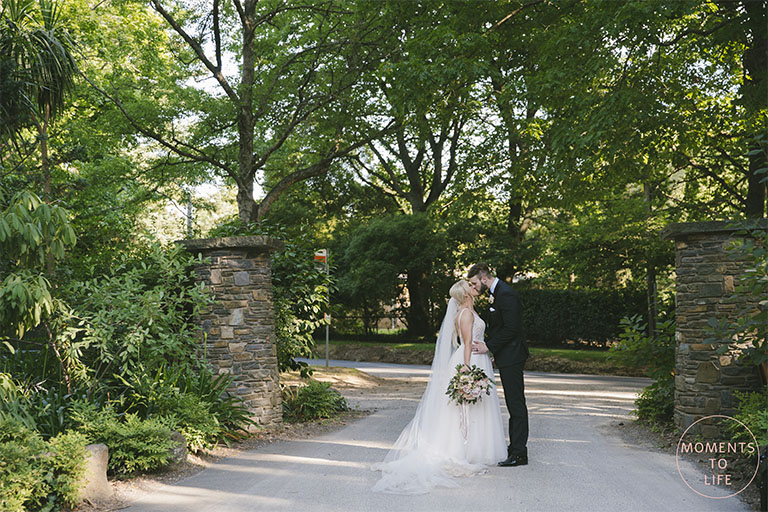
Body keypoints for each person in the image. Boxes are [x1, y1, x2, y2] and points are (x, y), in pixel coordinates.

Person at [371, 280, 506, 494]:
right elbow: (468, 342)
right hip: (468, 361)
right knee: (467, 405)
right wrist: (468, 371)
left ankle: (475, 448)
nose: (475, 287)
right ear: (466, 294)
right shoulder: (466, 314)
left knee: (476, 405)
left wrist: (486, 355)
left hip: (476, 359)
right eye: (471, 286)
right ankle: (467, 449)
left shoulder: (468, 311)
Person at [467, 262, 530, 467]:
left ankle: (519, 453)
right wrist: (497, 354)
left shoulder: (506, 294)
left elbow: (512, 328)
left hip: (513, 355)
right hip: (507, 355)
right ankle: (515, 449)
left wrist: (489, 346)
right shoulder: (498, 293)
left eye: (475, 282)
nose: (474, 286)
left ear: (484, 278)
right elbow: (501, 326)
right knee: (513, 403)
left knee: (516, 403)